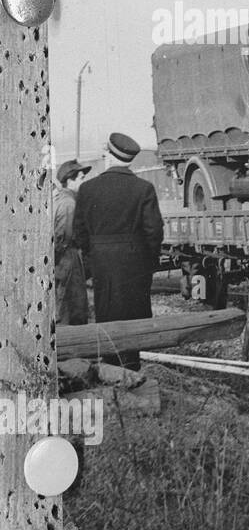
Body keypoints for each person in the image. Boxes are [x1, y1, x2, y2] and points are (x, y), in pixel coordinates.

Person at [72, 133, 164, 367]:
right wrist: (148, 263)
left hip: (102, 263)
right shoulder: (143, 188)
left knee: (107, 315)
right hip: (135, 265)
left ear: (108, 154)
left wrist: (93, 259)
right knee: (134, 316)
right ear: (129, 159)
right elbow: (154, 232)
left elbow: (79, 233)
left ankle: (110, 369)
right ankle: (132, 367)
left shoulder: (87, 189)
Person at [53, 158, 92, 326]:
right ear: (70, 180)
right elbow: (62, 238)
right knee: (70, 306)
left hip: (65, 259)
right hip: (68, 260)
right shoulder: (69, 204)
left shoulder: (61, 200)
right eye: (81, 178)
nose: (83, 181)